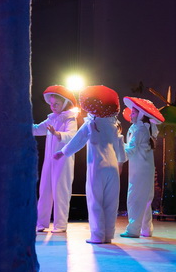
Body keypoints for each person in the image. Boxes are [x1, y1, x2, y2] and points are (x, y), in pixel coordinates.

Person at [54, 85, 126, 244]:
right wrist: (120, 164)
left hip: (97, 166)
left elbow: (78, 141)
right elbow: (120, 146)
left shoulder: (91, 124)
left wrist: (62, 152)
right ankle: (108, 235)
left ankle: (97, 235)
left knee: (95, 201)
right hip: (113, 167)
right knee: (111, 202)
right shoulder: (114, 125)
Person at [33, 85, 80, 234]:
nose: (52, 107)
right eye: (51, 104)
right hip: (49, 160)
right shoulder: (52, 119)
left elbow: (72, 136)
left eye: (56, 104)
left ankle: (60, 224)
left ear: (65, 103)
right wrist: (21, 126)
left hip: (63, 160)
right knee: (45, 190)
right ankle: (41, 223)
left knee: (61, 191)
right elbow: (37, 129)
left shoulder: (70, 119)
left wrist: (58, 134)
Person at [120, 97, 164, 239]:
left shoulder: (139, 130)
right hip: (145, 170)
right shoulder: (144, 129)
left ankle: (133, 230)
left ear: (141, 115)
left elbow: (130, 151)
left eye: (133, 112)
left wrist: (117, 145)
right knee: (145, 200)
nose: (130, 114)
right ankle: (146, 229)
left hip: (139, 171)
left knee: (135, 199)